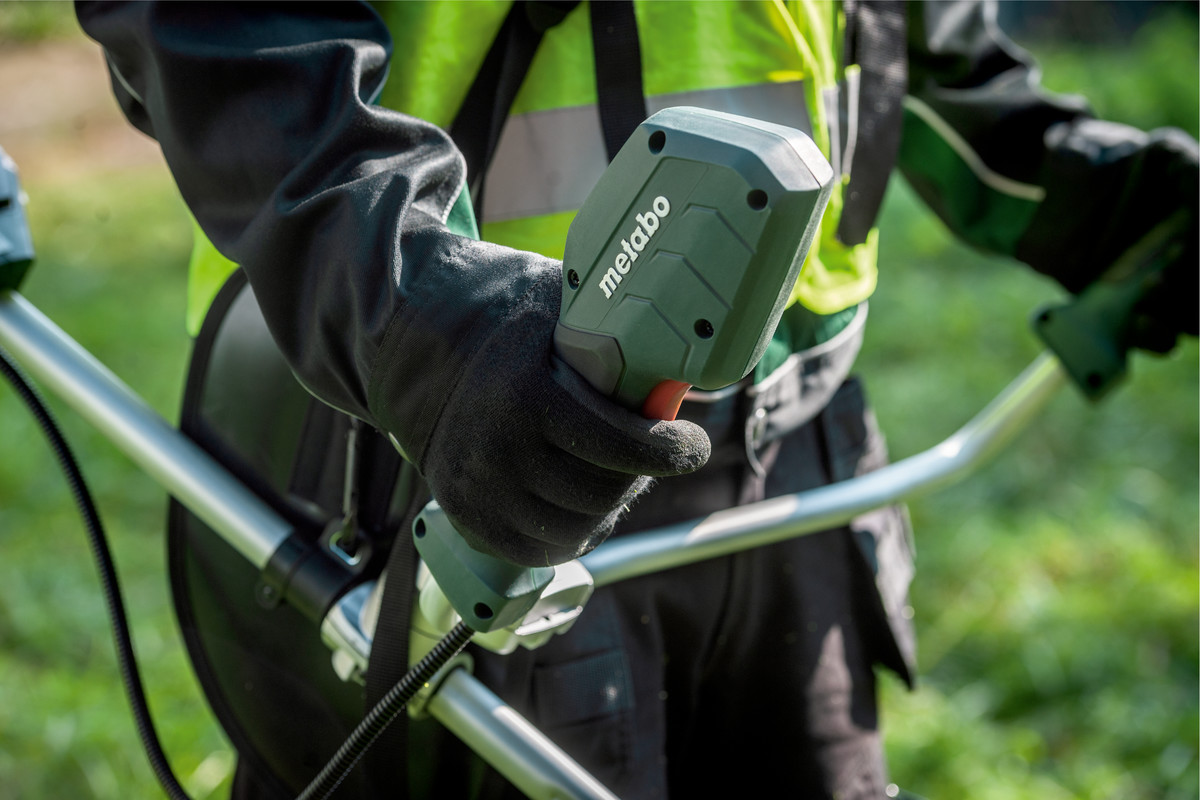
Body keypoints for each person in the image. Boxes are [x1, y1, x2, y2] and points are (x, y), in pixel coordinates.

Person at [75, 1, 1197, 798]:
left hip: (798, 468)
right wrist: (415, 311)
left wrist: (1098, 195)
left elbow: (898, 40)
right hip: (473, 457)